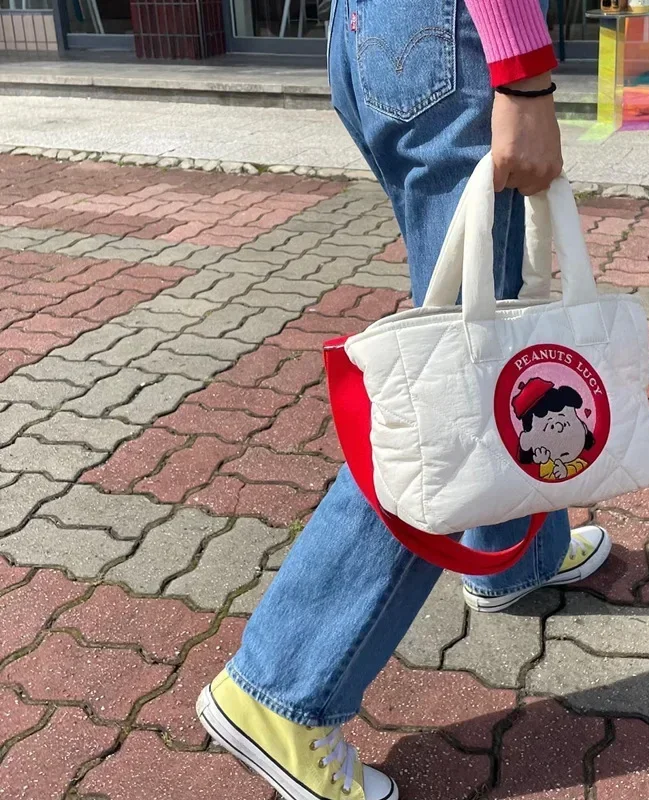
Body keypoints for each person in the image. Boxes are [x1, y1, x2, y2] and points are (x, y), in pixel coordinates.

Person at [196, 0, 612, 797]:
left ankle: (517, 553)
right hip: (455, 38)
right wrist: (524, 75)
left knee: (483, 342)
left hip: (376, 33)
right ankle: (279, 687)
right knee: (452, 386)